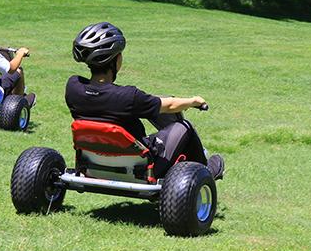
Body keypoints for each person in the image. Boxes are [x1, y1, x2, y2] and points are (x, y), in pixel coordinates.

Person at [65, 21, 224, 180]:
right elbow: (169, 105)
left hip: (92, 163)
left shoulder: (73, 87)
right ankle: (205, 172)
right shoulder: (128, 96)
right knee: (184, 126)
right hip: (140, 168)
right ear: (116, 59)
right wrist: (193, 101)